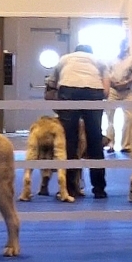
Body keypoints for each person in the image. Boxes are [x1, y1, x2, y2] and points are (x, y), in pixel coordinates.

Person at [48, 44, 110, 198]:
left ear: (75, 52)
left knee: (69, 140)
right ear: (91, 52)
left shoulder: (64, 59)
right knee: (95, 140)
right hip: (94, 91)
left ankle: (69, 189)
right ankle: (99, 189)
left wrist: (59, 105)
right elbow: (107, 92)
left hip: (68, 89)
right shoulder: (99, 60)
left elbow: (51, 86)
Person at [105, 38, 132, 153]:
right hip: (113, 90)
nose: (124, 48)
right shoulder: (111, 60)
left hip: (127, 91)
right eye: (122, 45)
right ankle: (110, 144)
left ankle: (126, 145)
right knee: (110, 118)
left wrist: (125, 83)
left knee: (129, 118)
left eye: (126, 46)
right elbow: (107, 75)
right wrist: (114, 84)